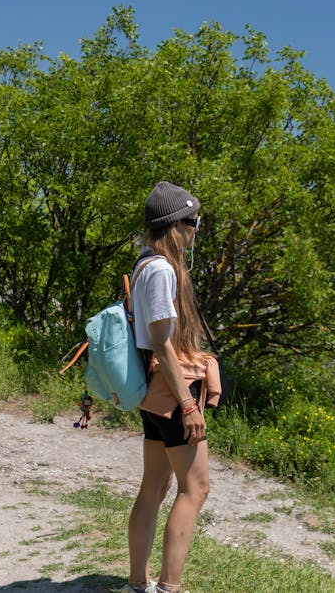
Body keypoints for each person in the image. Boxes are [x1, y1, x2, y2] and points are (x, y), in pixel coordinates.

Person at [123, 181, 221, 593]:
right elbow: (163, 344)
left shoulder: (145, 263)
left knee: (154, 487)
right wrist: (188, 404)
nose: (196, 231)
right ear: (176, 225)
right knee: (195, 488)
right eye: (194, 222)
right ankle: (168, 588)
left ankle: (136, 584)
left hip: (151, 392)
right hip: (170, 393)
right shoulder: (163, 270)